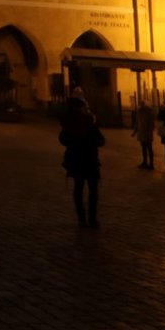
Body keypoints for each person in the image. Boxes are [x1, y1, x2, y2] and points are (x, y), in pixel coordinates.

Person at [59, 89, 105, 228]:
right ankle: (92, 217)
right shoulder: (89, 121)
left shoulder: (69, 123)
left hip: (75, 160)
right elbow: (101, 140)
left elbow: (63, 139)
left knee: (78, 189)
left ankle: (81, 216)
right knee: (93, 190)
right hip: (90, 159)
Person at [131, 100, 156, 169]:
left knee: (148, 148)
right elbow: (137, 123)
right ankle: (146, 162)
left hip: (146, 133)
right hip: (143, 133)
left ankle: (150, 163)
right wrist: (135, 132)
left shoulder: (147, 112)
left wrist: (135, 132)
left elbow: (151, 123)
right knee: (145, 148)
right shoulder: (140, 112)